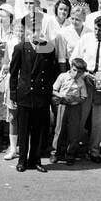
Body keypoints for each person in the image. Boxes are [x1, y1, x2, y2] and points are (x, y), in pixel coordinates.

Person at [8, 34, 59, 172]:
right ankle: (22, 160)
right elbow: (13, 73)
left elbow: (52, 72)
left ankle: (35, 160)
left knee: (38, 130)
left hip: (41, 94)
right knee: (23, 130)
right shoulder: (21, 48)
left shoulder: (48, 48)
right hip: (25, 94)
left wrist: (49, 90)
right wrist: (13, 95)